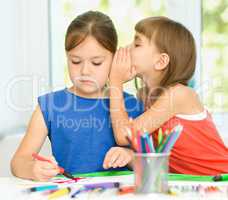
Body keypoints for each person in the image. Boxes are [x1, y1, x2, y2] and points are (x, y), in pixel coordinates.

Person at [11, 11, 143, 181]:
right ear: (67, 57)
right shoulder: (50, 106)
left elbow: (153, 165)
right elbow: (18, 162)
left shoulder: (131, 105)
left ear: (115, 58)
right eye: (75, 61)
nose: (85, 71)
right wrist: (32, 169)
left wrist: (130, 156)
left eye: (96, 62)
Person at [109, 16, 228, 175]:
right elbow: (157, 160)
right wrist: (131, 157)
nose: (127, 48)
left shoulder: (180, 95)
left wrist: (115, 82)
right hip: (190, 185)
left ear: (161, 61)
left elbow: (124, 136)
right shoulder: (145, 97)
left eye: (137, 44)